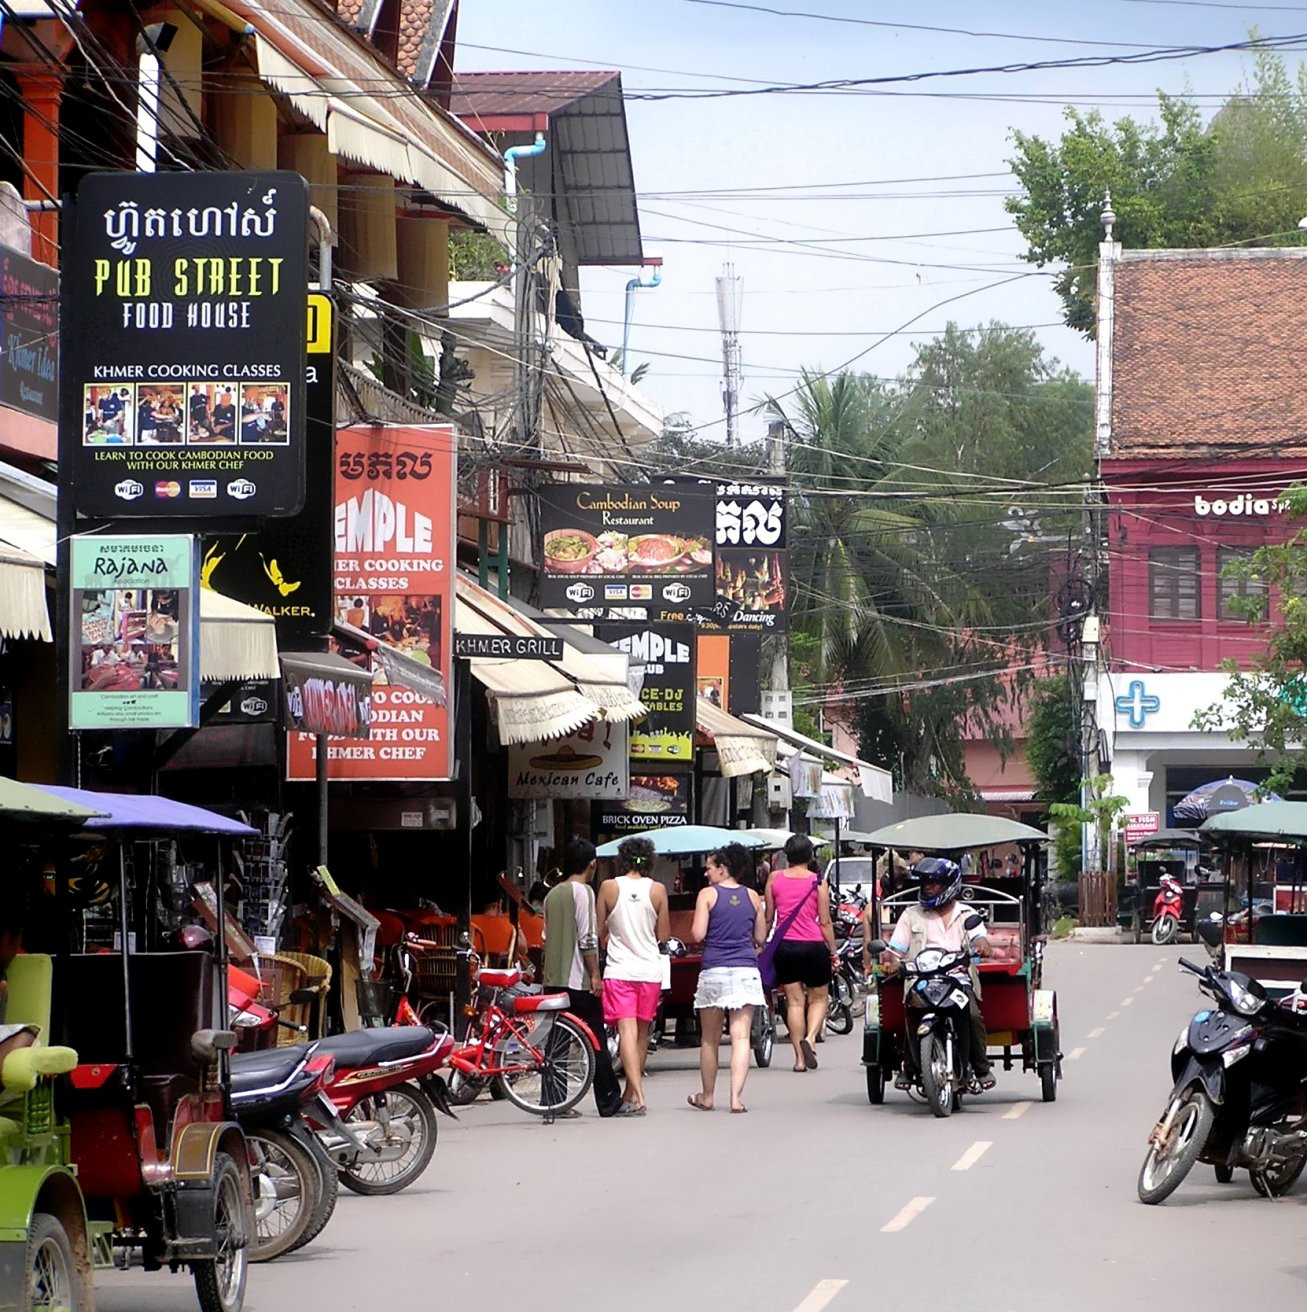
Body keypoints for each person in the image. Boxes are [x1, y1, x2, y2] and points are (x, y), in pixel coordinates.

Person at [880, 857, 995, 1092]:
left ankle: (981, 1068)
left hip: (958, 980)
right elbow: (895, 950)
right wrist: (891, 963)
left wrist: (982, 945)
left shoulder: (967, 913)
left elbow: (979, 937)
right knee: (912, 1013)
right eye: (925, 884)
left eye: (934, 883)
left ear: (949, 885)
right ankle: (909, 1067)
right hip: (921, 980)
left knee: (972, 1015)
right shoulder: (911, 915)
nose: (928, 888)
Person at [541, 838, 624, 1118]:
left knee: (557, 1041)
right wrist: (595, 975)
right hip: (577, 979)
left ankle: (553, 1102)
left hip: (553, 978)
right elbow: (587, 938)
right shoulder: (584, 892)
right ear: (592, 864)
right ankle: (609, 1100)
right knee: (594, 1037)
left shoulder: (552, 895)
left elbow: (546, 936)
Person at [686, 843, 766, 1113]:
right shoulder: (752, 897)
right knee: (741, 1038)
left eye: (709, 867)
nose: (706, 873)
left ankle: (707, 1096)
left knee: (710, 1039)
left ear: (722, 868)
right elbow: (760, 937)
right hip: (745, 970)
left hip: (714, 970)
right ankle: (736, 1099)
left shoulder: (707, 895)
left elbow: (697, 934)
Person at [597, 836, 669, 1115]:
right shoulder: (658, 890)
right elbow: (663, 935)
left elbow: (599, 931)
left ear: (622, 859)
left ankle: (636, 1094)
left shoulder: (608, 887)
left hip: (619, 969)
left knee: (626, 1031)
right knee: (642, 1033)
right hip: (649, 971)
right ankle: (632, 1092)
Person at [764, 834, 837, 1073]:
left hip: (785, 947)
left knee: (794, 1002)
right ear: (810, 856)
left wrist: (761, 943)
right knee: (819, 999)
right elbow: (825, 922)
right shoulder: (818, 882)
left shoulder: (774, 878)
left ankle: (798, 1060)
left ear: (787, 854)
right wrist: (833, 952)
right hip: (813, 946)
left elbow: (769, 917)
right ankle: (811, 1038)